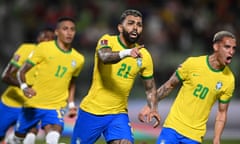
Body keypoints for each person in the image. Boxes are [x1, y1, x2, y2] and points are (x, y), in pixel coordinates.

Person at [71, 9, 161, 144]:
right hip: (92, 111)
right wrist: (127, 53)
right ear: (120, 27)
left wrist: (153, 108)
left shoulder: (145, 56)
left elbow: (150, 87)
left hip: (118, 114)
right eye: (131, 23)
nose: (135, 27)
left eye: (139, 24)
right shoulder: (107, 40)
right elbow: (105, 57)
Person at [138, 30, 237, 144]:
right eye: (227, 47)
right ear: (216, 46)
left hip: (195, 135)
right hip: (173, 127)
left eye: (234, 48)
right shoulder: (192, 64)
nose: (231, 52)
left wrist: (216, 138)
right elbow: (169, 85)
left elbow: (222, 112)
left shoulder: (229, 80)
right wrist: (151, 105)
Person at [14, 16, 85, 144]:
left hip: (55, 106)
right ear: (57, 32)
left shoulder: (78, 59)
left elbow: (71, 82)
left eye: (72, 29)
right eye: (65, 29)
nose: (69, 32)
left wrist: (71, 105)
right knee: (21, 138)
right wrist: (24, 87)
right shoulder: (43, 48)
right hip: (33, 103)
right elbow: (21, 71)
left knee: (53, 135)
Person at [0, 27, 55, 144]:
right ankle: (9, 139)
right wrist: (25, 86)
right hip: (11, 103)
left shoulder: (54, 57)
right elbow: (6, 76)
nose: (47, 40)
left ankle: (12, 140)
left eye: (50, 38)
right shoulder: (26, 49)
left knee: (30, 136)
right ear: (38, 38)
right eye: (44, 36)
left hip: (32, 105)